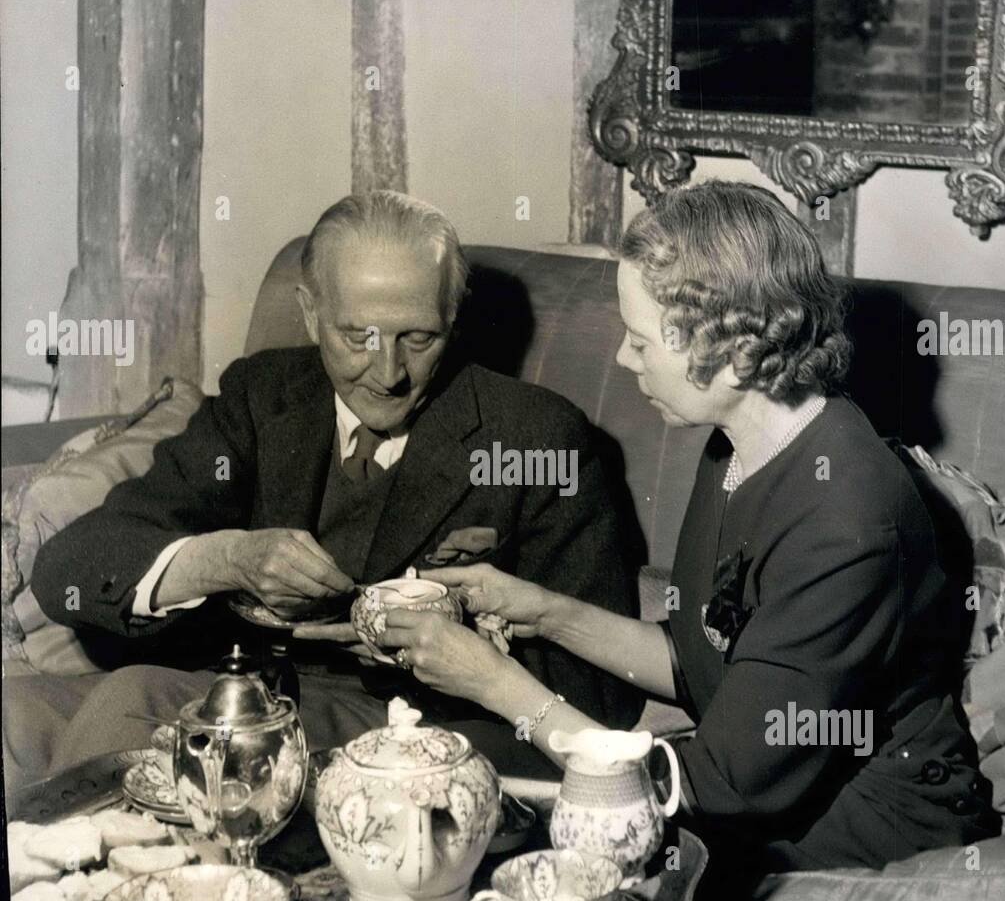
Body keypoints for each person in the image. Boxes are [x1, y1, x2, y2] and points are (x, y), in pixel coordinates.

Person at [368, 181, 997, 873]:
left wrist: (493, 682)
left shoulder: (846, 520)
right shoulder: (738, 444)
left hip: (865, 826)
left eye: (640, 341)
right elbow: (702, 658)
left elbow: (711, 788)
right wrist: (541, 612)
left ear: (729, 350)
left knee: (497, 842)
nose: (623, 360)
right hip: (762, 781)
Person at [11, 191, 641, 788]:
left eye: (418, 338)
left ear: (453, 318)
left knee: (127, 710)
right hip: (233, 688)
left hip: (409, 733)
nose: (388, 373)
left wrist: (441, 651)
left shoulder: (535, 437)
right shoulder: (263, 398)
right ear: (311, 315)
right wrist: (224, 558)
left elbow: (605, 696)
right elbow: (73, 568)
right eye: (355, 336)